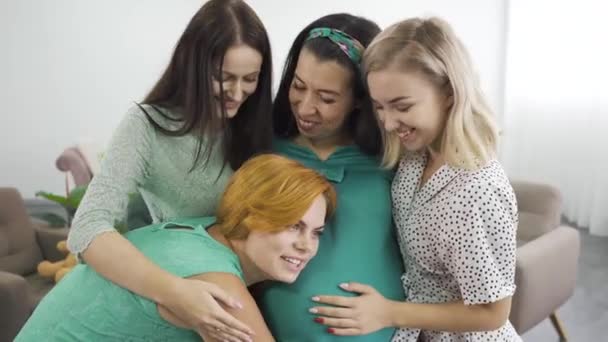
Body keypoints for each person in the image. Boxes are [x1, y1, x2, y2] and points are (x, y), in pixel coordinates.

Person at [66, 0, 273, 340]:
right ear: (192, 67)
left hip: (258, 288)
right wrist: (176, 293)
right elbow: (87, 228)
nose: (238, 93)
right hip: (190, 291)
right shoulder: (147, 126)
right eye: (224, 78)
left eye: (250, 79)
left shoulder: (260, 124)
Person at [309, 17, 522, 342]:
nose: (389, 122)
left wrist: (388, 312)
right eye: (379, 107)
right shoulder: (414, 155)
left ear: (449, 92)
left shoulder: (478, 190)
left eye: (402, 107)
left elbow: (493, 312)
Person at [16, 154, 336, 342]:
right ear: (251, 216)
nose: (307, 246)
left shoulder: (197, 229)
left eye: (317, 232)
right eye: (293, 225)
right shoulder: (216, 283)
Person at [254, 14, 405, 341]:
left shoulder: (393, 159)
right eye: (298, 86)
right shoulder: (262, 150)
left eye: (326, 98)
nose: (306, 107)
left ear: (361, 100)